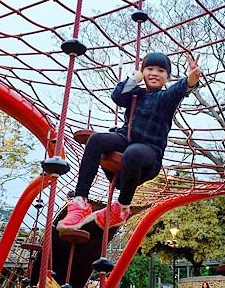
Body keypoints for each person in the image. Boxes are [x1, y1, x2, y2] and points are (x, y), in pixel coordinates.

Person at [57, 52, 201, 230]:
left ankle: (122, 207)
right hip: (125, 138)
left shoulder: (165, 98)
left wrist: (190, 79)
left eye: (160, 70)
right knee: (96, 140)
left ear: (167, 77)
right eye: (149, 69)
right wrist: (134, 78)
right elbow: (117, 96)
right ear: (142, 72)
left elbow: (178, 90)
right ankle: (80, 201)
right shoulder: (135, 94)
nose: (154, 73)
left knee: (133, 153)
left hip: (148, 151)